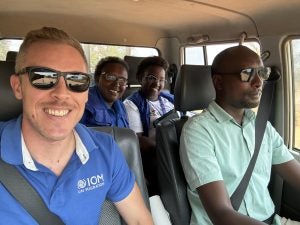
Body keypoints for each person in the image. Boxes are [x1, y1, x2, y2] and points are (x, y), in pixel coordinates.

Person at [0, 27, 153, 225]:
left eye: (76, 80)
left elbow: (140, 220)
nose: (62, 94)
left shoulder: (106, 150)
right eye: (43, 77)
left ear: (86, 92)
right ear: (18, 86)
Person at [180, 45, 300, 225]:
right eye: (247, 73)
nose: (259, 82)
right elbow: (221, 213)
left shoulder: (262, 127)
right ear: (219, 82)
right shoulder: (198, 131)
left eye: (262, 73)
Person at [123, 56, 174, 196]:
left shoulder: (170, 99)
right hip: (154, 158)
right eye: (151, 77)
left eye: (161, 79)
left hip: (173, 151)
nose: (157, 83)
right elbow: (138, 140)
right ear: (140, 78)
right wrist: (171, 150)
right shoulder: (132, 104)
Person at [80, 56, 129, 128]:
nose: (116, 84)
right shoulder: (83, 104)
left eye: (122, 80)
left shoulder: (121, 106)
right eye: (110, 77)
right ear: (97, 78)